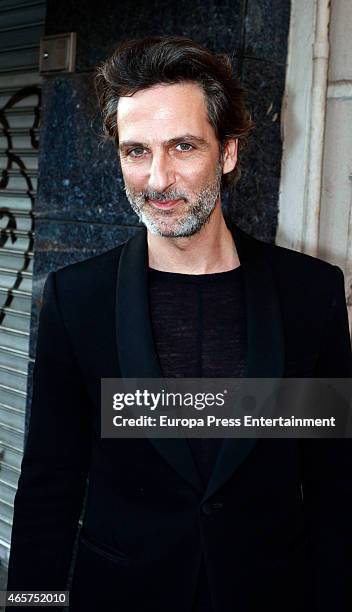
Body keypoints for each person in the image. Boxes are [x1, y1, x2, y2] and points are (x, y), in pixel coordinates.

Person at [6, 36, 352, 612]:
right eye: (136, 151)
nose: (157, 178)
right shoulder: (79, 299)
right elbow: (50, 486)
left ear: (228, 153)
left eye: (183, 146)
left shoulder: (308, 294)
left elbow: (334, 485)